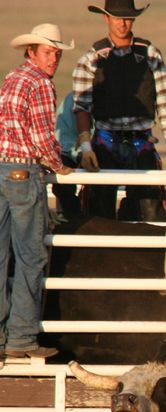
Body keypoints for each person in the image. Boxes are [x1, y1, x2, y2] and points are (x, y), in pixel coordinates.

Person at [0, 24, 74, 359]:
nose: (54, 59)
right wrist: (60, 166)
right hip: (23, 172)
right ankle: (21, 336)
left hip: (1, 167)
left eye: (57, 53)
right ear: (32, 51)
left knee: (2, 255)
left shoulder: (12, 78)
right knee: (31, 254)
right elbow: (43, 139)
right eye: (49, 52)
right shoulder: (41, 84)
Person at [73, 0, 166, 222]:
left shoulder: (149, 53)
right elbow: (81, 106)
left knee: (150, 207)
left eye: (127, 18)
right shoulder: (92, 58)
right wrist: (86, 147)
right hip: (105, 141)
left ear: (133, 20)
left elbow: (165, 98)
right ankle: (101, 255)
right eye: (117, 18)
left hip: (141, 140)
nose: (122, 24)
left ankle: (152, 254)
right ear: (106, 18)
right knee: (100, 209)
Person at [53, 91, 82, 220]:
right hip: (71, 150)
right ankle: (71, 218)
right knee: (62, 185)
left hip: (95, 148)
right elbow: (63, 141)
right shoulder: (72, 99)